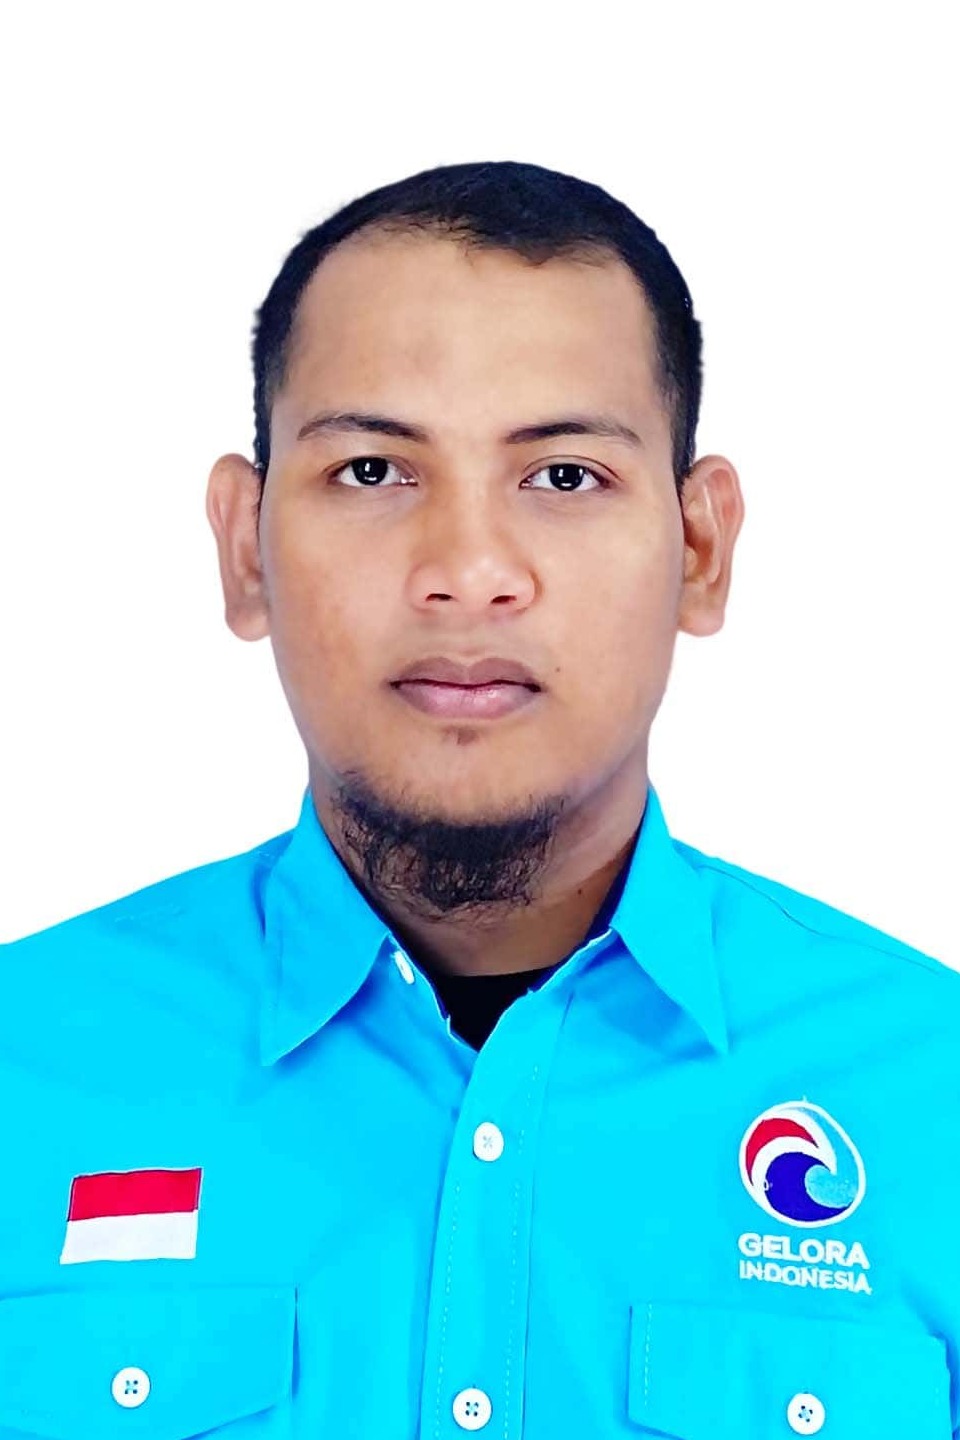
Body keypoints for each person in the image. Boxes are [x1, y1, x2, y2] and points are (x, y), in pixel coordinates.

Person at [2, 160, 957, 1439]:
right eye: (372, 472)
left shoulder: (934, 1090)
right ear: (244, 547)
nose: (466, 571)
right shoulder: (23, 1066)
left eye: (562, 476)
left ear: (699, 549)